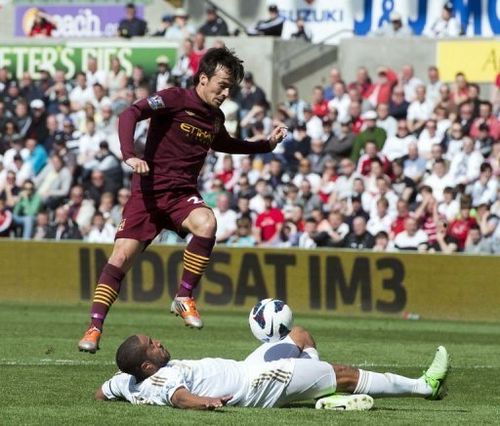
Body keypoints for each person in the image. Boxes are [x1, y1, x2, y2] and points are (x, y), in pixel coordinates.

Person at [78, 47, 288, 352]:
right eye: (222, 85)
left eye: (230, 88)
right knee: (121, 258)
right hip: (147, 194)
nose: (226, 93)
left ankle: (184, 296)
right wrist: (129, 155)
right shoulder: (175, 98)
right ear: (203, 78)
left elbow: (228, 143)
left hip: (181, 196)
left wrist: (266, 145)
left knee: (207, 223)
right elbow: (130, 113)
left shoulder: (214, 118)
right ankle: (94, 328)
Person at [95, 327, 450, 409]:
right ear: (147, 364)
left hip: (243, 368)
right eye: (152, 345)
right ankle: (424, 385)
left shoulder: (127, 382)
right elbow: (179, 397)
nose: (158, 343)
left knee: (298, 335)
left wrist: (106, 394)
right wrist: (208, 402)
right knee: (342, 373)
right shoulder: (164, 378)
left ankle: (319, 392)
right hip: (255, 385)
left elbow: (102, 392)